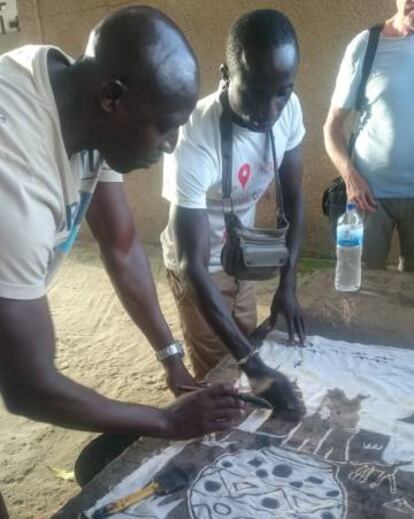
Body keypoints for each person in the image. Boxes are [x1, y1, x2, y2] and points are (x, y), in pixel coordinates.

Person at [0, 5, 244, 511]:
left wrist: (171, 357)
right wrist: (165, 422)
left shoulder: (72, 92)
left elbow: (122, 245)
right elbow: (29, 387)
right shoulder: (14, 193)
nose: (174, 143)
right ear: (113, 98)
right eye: (166, 127)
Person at [160, 9, 306, 412]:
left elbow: (293, 200)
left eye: (283, 92)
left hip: (242, 258)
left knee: (245, 340)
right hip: (200, 269)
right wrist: (253, 367)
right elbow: (191, 265)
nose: (271, 109)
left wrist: (288, 285)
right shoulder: (194, 139)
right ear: (226, 75)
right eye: (256, 92)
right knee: (223, 378)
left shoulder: (288, 109)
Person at [324, 0, 414, 271]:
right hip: (369, 198)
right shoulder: (367, 45)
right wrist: (350, 177)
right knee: (361, 289)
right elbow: (333, 126)